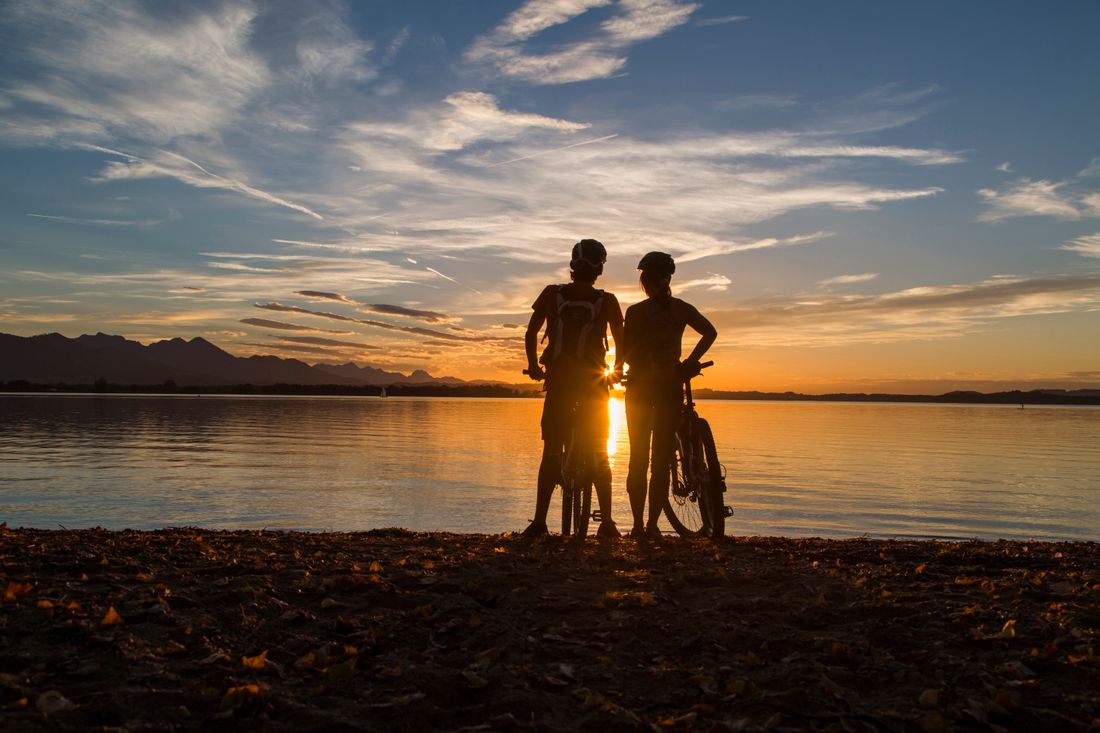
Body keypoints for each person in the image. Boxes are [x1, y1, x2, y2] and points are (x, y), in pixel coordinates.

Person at [523, 239, 624, 538]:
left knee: (551, 449)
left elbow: (531, 332)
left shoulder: (552, 294)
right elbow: (622, 340)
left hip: (559, 380)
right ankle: (607, 522)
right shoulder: (607, 300)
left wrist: (533, 367)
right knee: (599, 451)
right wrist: (618, 368)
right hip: (595, 383)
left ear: (572, 265)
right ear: (599, 270)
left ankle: (540, 522)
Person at [620, 251, 717, 540]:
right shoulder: (682, 308)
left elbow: (624, 352)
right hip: (670, 386)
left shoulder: (635, 312)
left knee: (638, 458)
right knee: (660, 460)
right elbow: (710, 333)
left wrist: (618, 368)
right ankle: (651, 527)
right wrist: (689, 362)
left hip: (638, 388)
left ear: (645, 282)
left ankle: (638, 526)